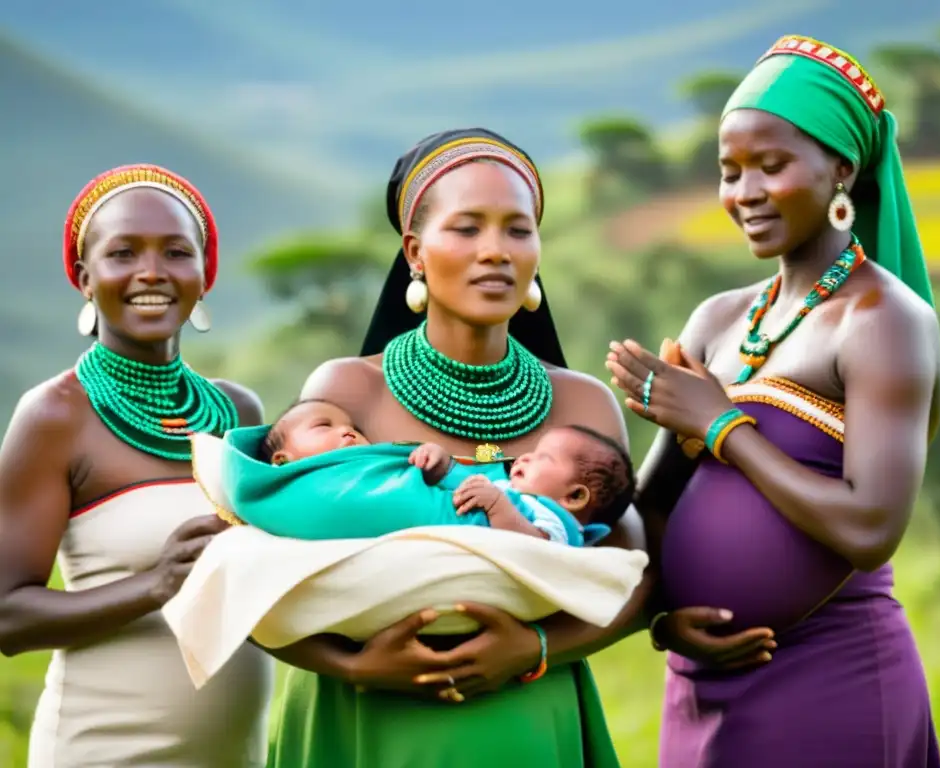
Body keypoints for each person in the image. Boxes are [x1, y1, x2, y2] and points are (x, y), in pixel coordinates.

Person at [260, 129, 649, 768]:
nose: (495, 252)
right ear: (414, 251)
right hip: (365, 725)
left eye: (517, 231)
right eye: (467, 229)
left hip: (528, 721)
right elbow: (262, 566)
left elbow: (635, 573)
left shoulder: (583, 406)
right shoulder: (345, 393)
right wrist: (354, 666)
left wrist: (536, 649)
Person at [607, 35, 940, 766]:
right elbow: (655, 505)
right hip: (700, 687)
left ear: (841, 173)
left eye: (771, 166)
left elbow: (870, 527)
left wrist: (721, 423)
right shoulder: (718, 320)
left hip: (834, 685)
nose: (744, 193)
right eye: (729, 172)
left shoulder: (884, 322)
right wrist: (661, 616)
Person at [0, 164, 274, 766]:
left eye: (177, 252)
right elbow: (8, 614)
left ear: (204, 275)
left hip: (235, 751)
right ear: (84, 277)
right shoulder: (55, 416)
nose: (151, 272)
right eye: (123, 253)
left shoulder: (237, 409)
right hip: (103, 749)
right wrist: (155, 586)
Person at [232, 397, 633, 546]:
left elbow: (539, 551)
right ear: (414, 250)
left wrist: (495, 504)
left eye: (542, 458)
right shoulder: (346, 383)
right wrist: (445, 469)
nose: (348, 432)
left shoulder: (550, 518)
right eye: (327, 427)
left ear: (577, 497)